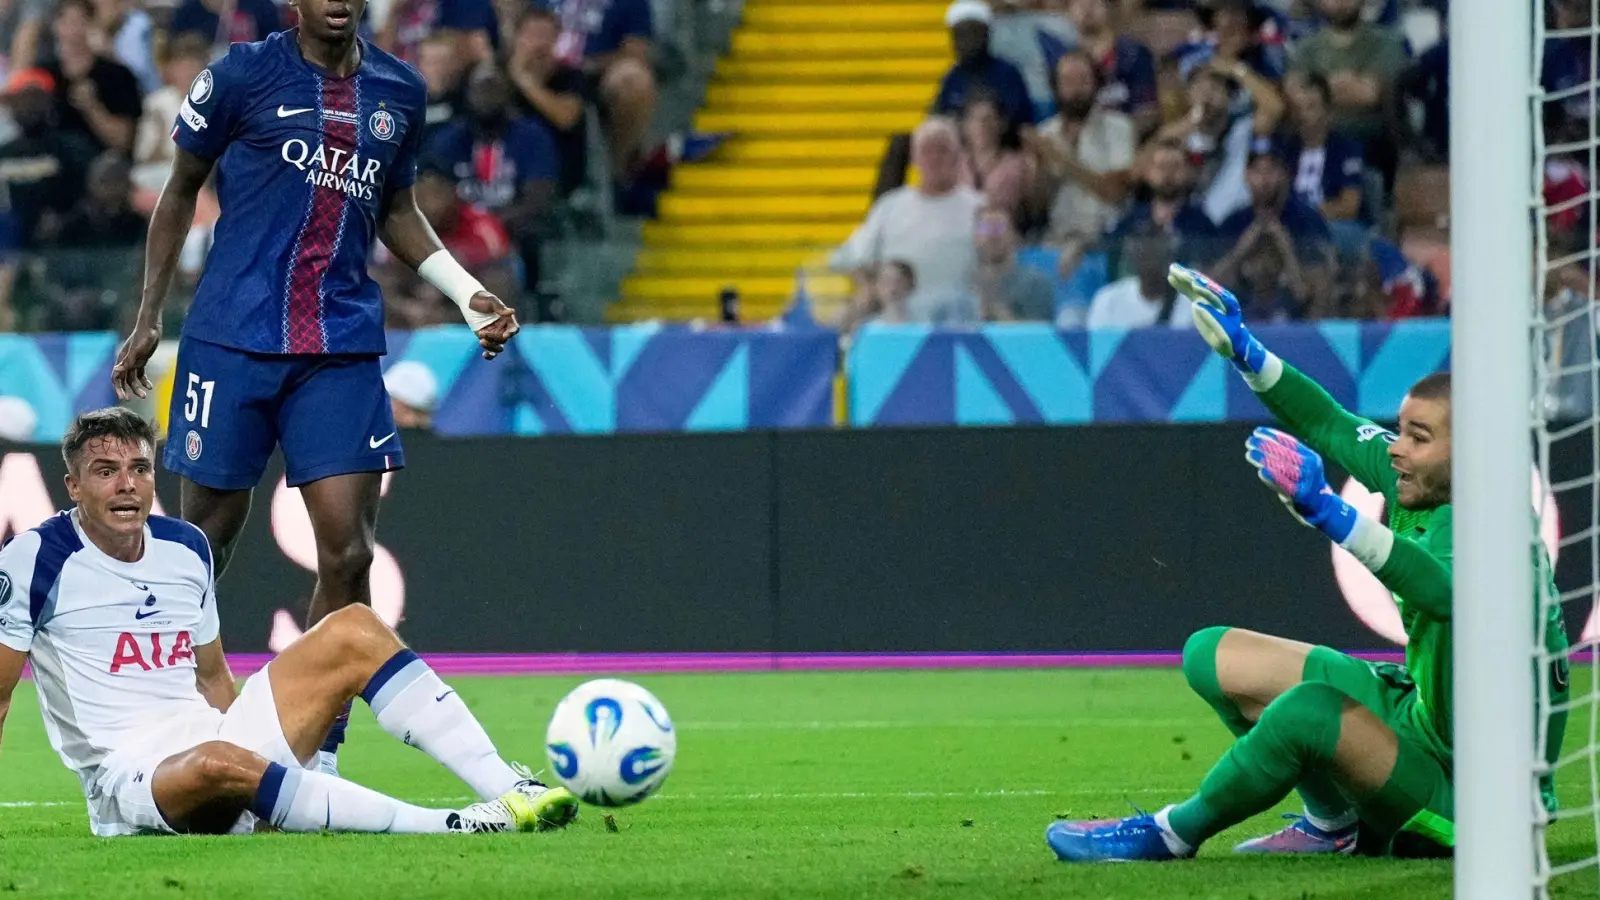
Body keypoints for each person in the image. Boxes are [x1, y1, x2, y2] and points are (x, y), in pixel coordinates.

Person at [109, 0, 521, 776]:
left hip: (339, 347)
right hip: (231, 339)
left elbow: (394, 207)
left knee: (348, 552)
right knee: (203, 547)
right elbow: (179, 187)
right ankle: (161, 717)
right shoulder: (242, 74)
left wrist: (466, 293)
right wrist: (148, 314)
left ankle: (312, 748)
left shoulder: (399, 91)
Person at [1046, 264, 1571, 862]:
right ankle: (1333, 824)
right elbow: (1328, 422)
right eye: (1400, 430)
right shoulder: (1422, 480)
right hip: (1423, 724)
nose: (1396, 448)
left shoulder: (1503, 534)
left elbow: (1445, 593)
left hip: (1478, 799)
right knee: (1213, 656)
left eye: (1418, 437)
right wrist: (1246, 351)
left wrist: (1333, 515)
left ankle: (1170, 833)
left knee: (1309, 712)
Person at [0, 408, 578, 837]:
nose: (127, 485)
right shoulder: (33, 559)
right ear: (73, 486)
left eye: (139, 468)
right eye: (105, 471)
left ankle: (510, 787)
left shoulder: (185, 547)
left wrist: (265, 762)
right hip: (128, 774)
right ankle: (455, 826)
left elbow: (212, 676)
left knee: (354, 624)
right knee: (218, 763)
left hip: (208, 734)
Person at [830, 118, 983, 322]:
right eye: (927, 151)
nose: (935, 158)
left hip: (963, 320)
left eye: (943, 150)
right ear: (914, 158)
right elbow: (853, 257)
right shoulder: (889, 207)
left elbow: (1004, 255)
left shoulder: (982, 207)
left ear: (958, 157)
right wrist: (870, 289)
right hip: (901, 322)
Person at [42, 0, 143, 156]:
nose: (72, 30)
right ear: (55, 26)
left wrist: (92, 107)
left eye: (79, 21)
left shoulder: (117, 74)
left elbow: (124, 141)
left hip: (99, 161)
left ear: (92, 24)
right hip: (50, 161)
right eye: (66, 21)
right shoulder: (42, 74)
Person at [507, 6, 586, 197]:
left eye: (546, 35)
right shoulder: (499, 74)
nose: (539, 43)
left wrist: (524, 80)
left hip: (555, 173)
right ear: (517, 38)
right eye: (532, 34)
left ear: (557, 39)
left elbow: (566, 118)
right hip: (504, 169)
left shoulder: (571, 76)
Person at [932, 0, 1034, 134]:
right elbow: (940, 119)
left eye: (972, 33)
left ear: (986, 34)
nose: (966, 41)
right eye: (959, 35)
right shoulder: (952, 79)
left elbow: (1022, 122)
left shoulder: (1008, 74)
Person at [1064, 0, 1159, 137]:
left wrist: (1119, 140)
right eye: (1080, 4)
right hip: (1082, 144)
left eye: (1095, 3)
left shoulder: (1134, 54)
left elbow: (1147, 111)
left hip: (1129, 141)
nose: (1087, 10)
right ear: (1068, 12)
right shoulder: (1066, 62)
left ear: (1109, 8)